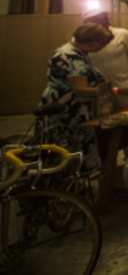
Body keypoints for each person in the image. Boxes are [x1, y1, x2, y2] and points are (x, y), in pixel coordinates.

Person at [38, 23, 113, 170]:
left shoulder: (79, 53)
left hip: (75, 108)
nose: (102, 48)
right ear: (92, 41)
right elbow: (80, 89)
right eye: (102, 44)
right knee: (67, 151)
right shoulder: (69, 56)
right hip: (65, 109)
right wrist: (103, 92)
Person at [83, 9, 128, 108]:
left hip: (124, 86)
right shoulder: (83, 40)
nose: (106, 19)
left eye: (106, 17)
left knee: (126, 115)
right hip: (98, 88)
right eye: (101, 18)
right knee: (103, 117)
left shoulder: (123, 34)